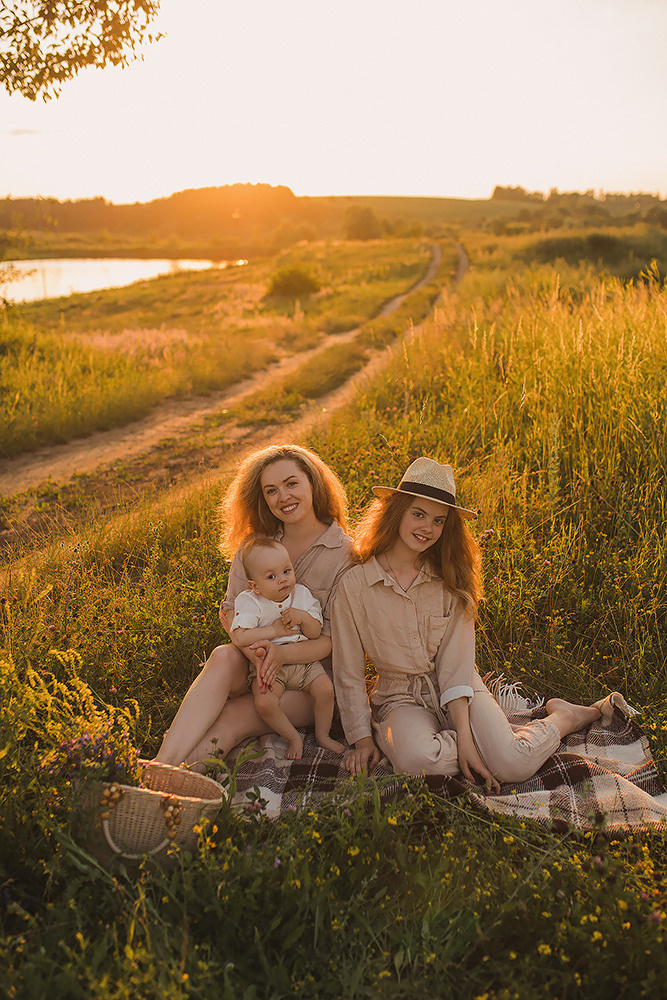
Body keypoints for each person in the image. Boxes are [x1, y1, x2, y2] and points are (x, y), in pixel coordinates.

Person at [332, 457, 602, 788]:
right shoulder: (355, 585)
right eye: (418, 514)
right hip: (399, 697)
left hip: (461, 689)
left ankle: (562, 718)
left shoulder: (450, 579)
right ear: (396, 512)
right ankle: (483, 747)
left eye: (438, 520)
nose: (426, 528)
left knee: (515, 767)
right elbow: (347, 669)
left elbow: (456, 665)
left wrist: (463, 735)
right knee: (417, 761)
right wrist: (362, 738)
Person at [155, 444, 354, 767]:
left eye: (292, 484)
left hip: (311, 677)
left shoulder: (343, 553)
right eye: (271, 490)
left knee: (233, 715)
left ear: (312, 484)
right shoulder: (254, 546)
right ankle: (159, 764)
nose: (283, 497)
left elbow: (331, 640)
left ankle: (168, 785)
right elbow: (229, 611)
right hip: (255, 662)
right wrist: (258, 657)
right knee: (221, 656)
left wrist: (280, 656)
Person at [230, 536, 345, 758]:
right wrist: (274, 631)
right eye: (271, 576)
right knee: (264, 703)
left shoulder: (301, 595)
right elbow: (240, 637)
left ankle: (323, 735)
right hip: (271, 666)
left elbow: (314, 633)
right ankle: (293, 737)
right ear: (255, 586)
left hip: (304, 662)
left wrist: (303, 618)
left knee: (325, 690)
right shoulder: (250, 601)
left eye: (286, 571)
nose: (283, 580)